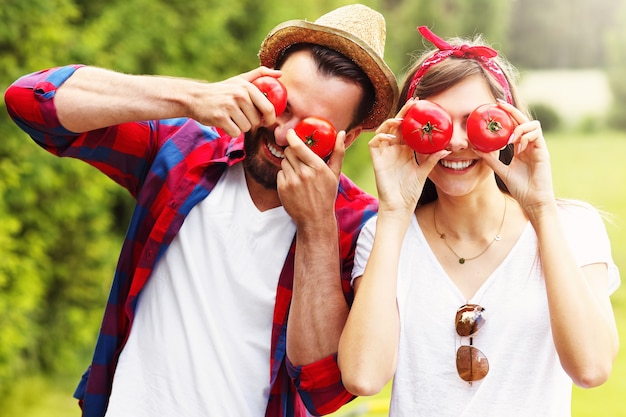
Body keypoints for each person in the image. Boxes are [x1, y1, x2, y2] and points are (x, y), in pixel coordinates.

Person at [4, 4, 399, 417]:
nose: (282, 135)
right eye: (281, 106)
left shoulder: (359, 226)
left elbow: (323, 392)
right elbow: (32, 102)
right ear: (261, 84)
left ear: (347, 137)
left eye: (310, 129)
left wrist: (317, 226)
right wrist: (195, 96)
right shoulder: (183, 151)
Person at [337, 26, 620, 416]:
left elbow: (591, 368)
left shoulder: (572, 226)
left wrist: (540, 208)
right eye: (435, 122)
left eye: (474, 121)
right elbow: (364, 377)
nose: (454, 141)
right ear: (406, 130)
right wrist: (394, 212)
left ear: (510, 126)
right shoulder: (387, 234)